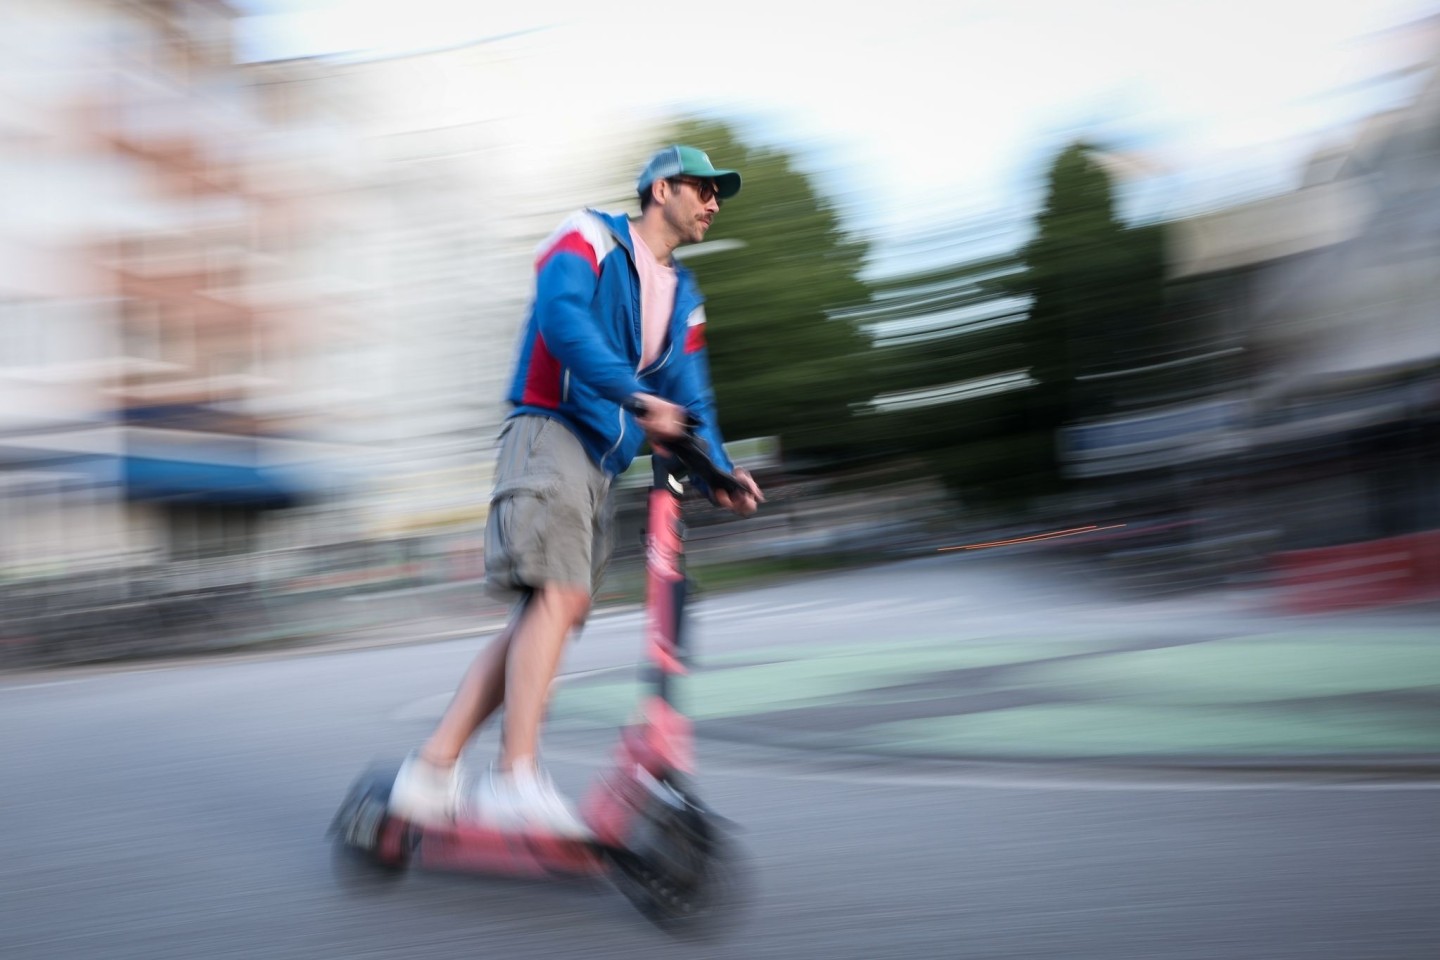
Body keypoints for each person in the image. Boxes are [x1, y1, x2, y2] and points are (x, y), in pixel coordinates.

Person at [388, 145, 764, 837]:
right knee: (556, 603)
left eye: (719, 195)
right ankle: (514, 780)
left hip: (599, 461)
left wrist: (720, 470)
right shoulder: (588, 236)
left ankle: (432, 770)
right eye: (704, 189)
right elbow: (563, 322)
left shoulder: (684, 296)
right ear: (660, 189)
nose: (714, 203)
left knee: (549, 616)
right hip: (550, 431)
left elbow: (692, 395)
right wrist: (634, 395)